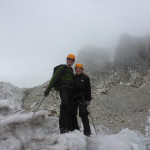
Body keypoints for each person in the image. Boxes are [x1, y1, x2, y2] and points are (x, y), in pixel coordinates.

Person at [44, 54, 76, 134]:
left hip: (71, 90)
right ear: (67, 59)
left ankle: (70, 127)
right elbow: (54, 78)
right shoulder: (62, 68)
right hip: (64, 88)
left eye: (72, 60)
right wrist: (48, 89)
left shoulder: (71, 70)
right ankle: (62, 127)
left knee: (71, 107)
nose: (70, 61)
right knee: (64, 105)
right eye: (69, 59)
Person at [74, 63, 91, 136]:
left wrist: (88, 99)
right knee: (73, 113)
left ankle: (87, 131)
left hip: (83, 98)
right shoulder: (73, 77)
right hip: (74, 98)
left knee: (83, 114)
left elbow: (88, 89)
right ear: (75, 69)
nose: (78, 70)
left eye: (80, 69)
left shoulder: (85, 77)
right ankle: (75, 129)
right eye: (77, 69)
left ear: (82, 70)